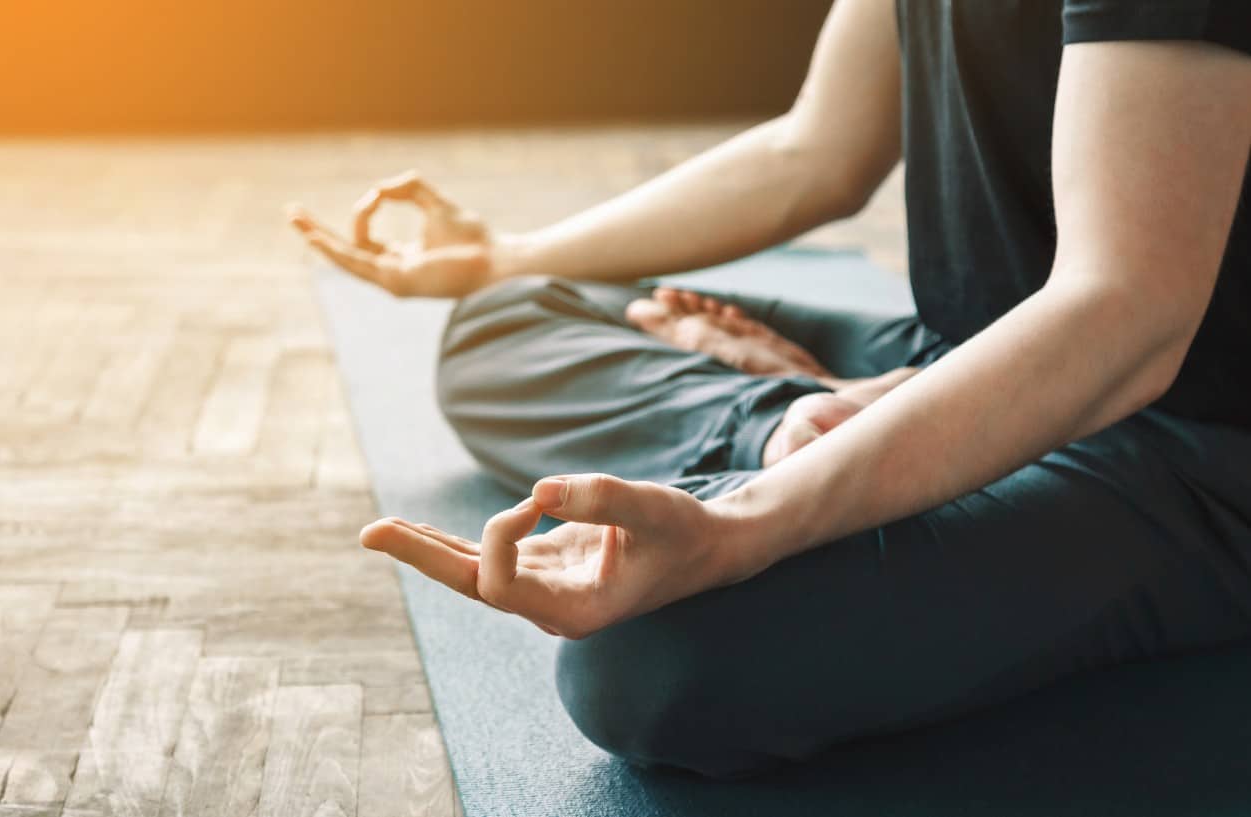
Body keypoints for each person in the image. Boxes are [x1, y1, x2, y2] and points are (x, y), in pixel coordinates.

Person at [287, 0, 1251, 779]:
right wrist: (504, 256)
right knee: (508, 319)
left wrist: (745, 524)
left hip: (1183, 448)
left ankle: (820, 433)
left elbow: (1129, 309)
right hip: (959, 345)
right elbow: (814, 152)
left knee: (644, 660)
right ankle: (829, 417)